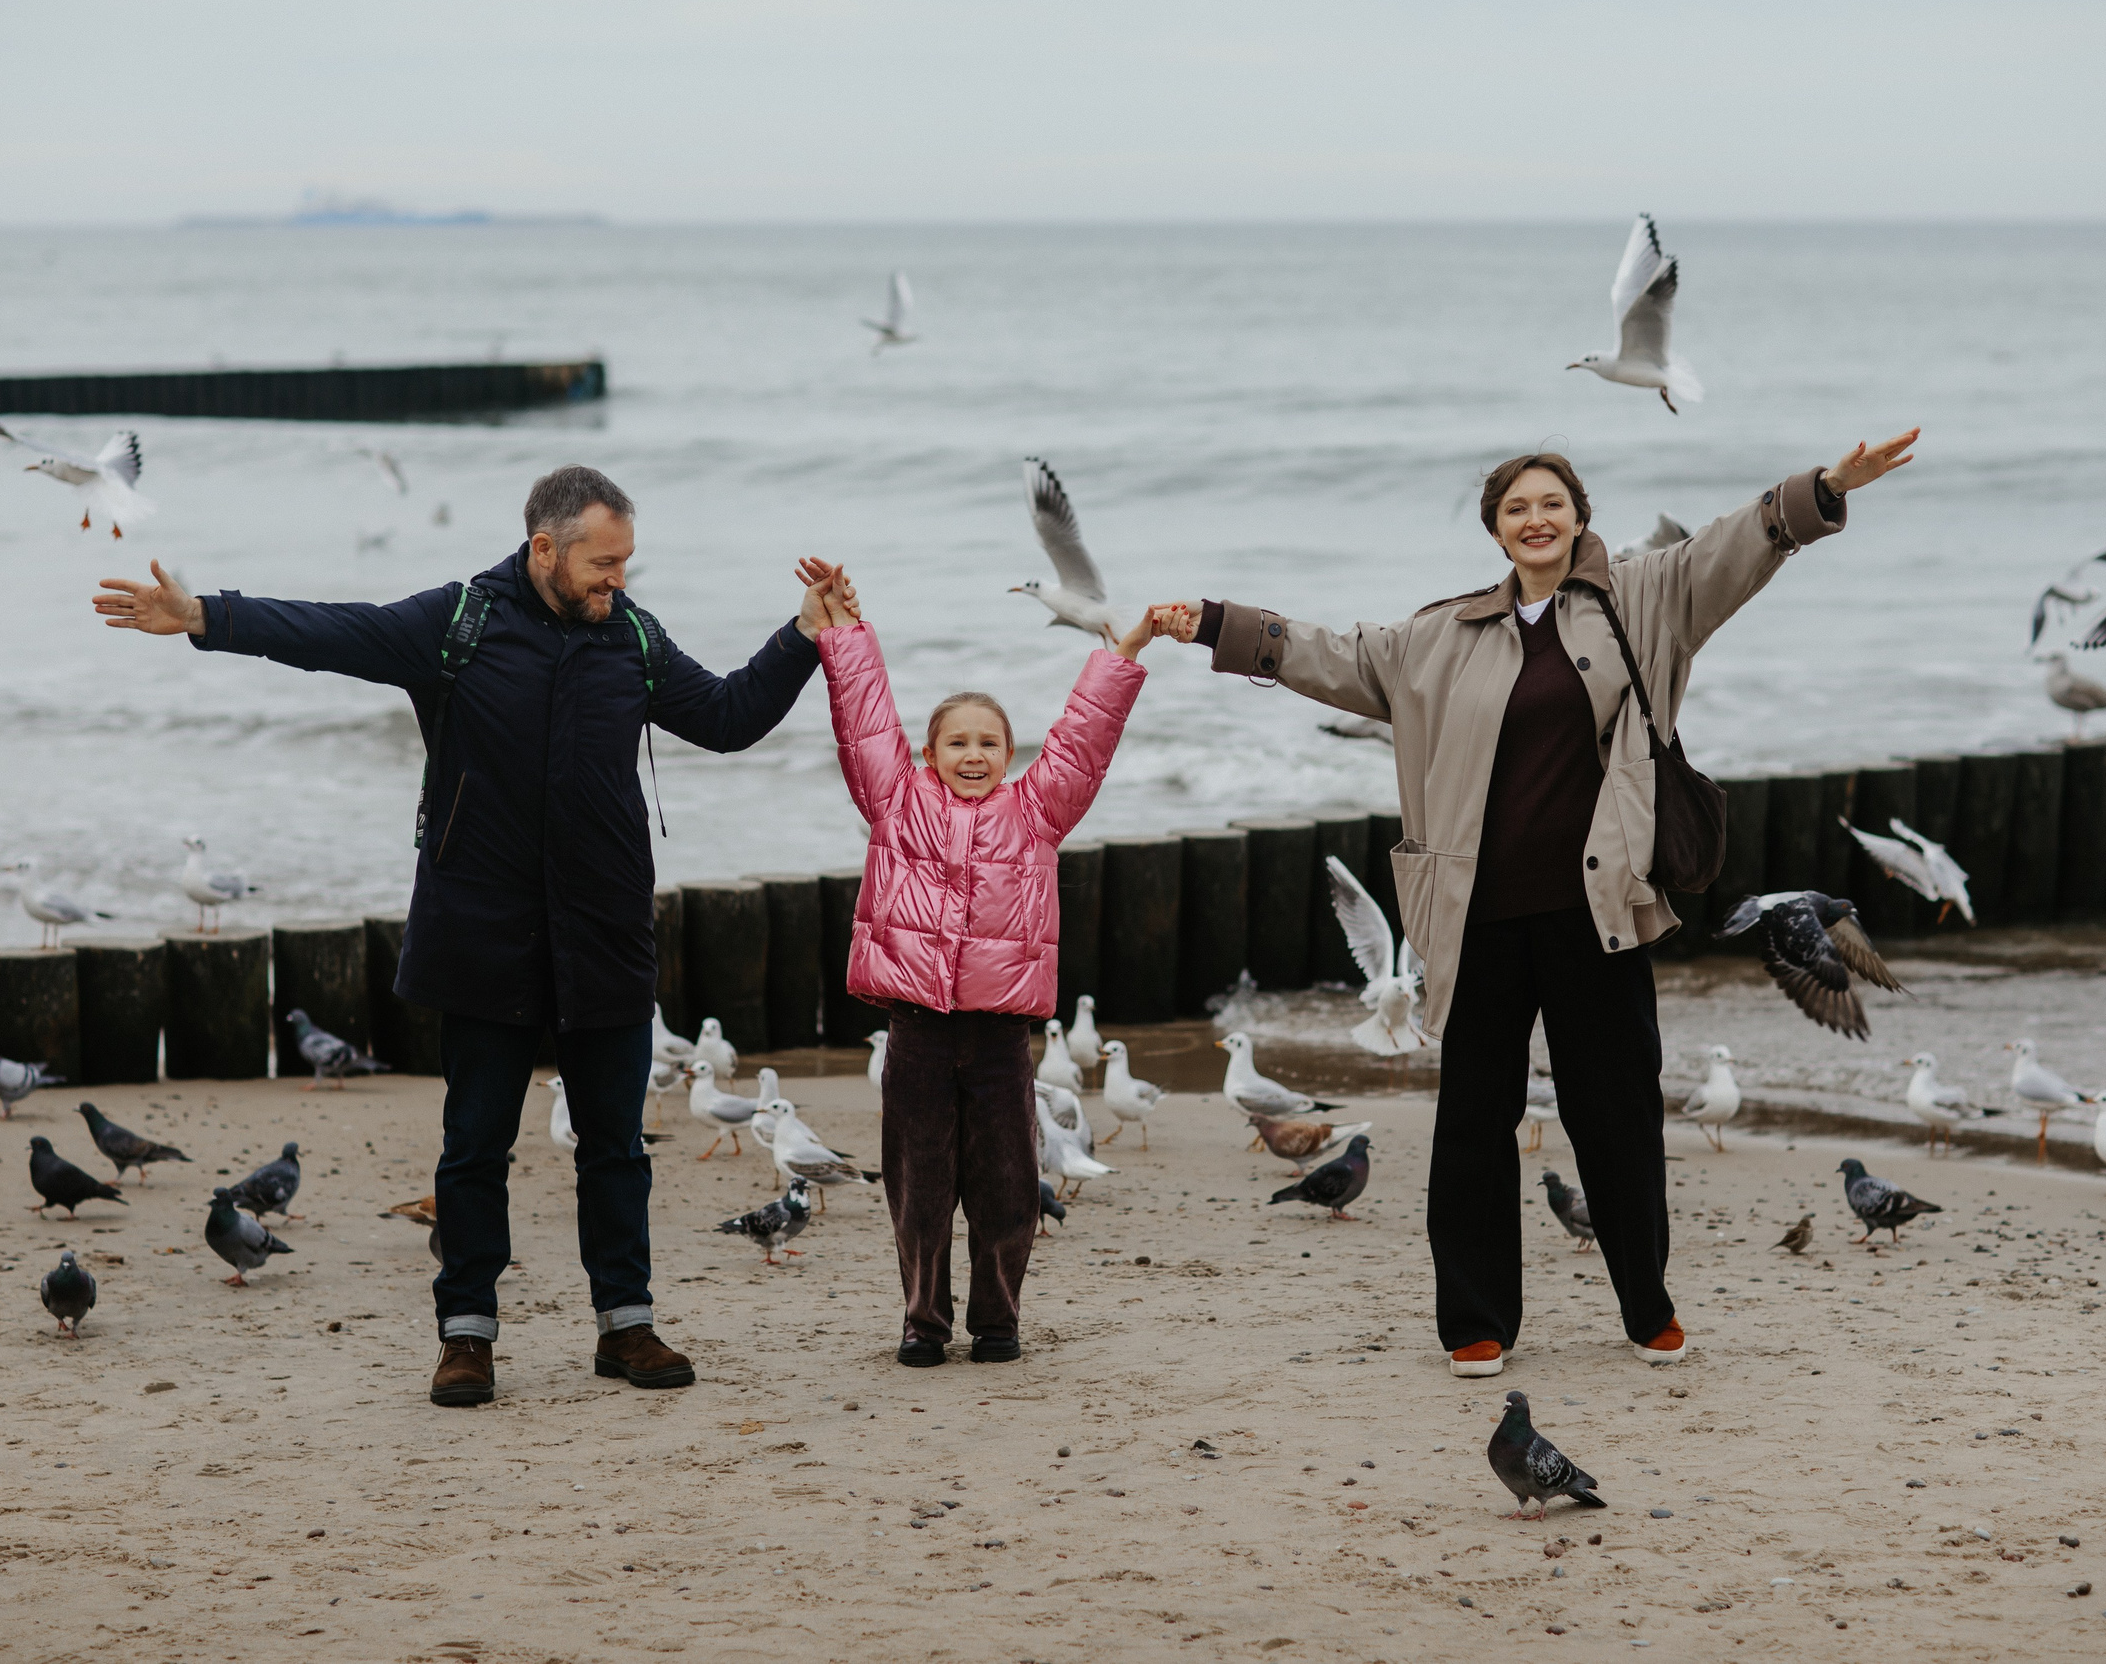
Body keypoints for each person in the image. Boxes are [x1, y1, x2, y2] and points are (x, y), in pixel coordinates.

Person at [1149, 429, 1919, 1379]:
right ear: (1496, 530)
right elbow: (1329, 655)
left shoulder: (1644, 597)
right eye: (1517, 508)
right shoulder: (1440, 636)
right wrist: (1214, 622)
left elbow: (1735, 546)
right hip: (1475, 917)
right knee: (1473, 1121)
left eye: (1551, 501)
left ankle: (1648, 1308)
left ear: (1580, 515)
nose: (1536, 518)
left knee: (1618, 1118)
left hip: (1599, 912)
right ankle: (1475, 1321)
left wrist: (1827, 486)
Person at [93, 464, 845, 1406]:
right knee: (474, 1144)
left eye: (626, 564)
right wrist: (205, 614)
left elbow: (729, 718)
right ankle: (467, 1335)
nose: (618, 581)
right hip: (483, 929)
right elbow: (335, 632)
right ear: (544, 548)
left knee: (615, 1143)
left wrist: (805, 637)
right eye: (603, 564)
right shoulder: (460, 623)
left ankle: (626, 1324)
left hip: (605, 930)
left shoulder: (633, 638)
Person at [809, 576, 1158, 1366]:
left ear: (1010, 755)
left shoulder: (1035, 811)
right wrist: (846, 633)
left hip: (1003, 1037)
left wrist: (1124, 652)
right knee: (920, 1190)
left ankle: (997, 1320)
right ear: (927, 754)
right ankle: (923, 1322)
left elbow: (1084, 739)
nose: (973, 754)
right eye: (956, 742)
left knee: (1006, 1189)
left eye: (988, 743)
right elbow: (863, 723)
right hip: (919, 1031)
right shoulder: (895, 801)